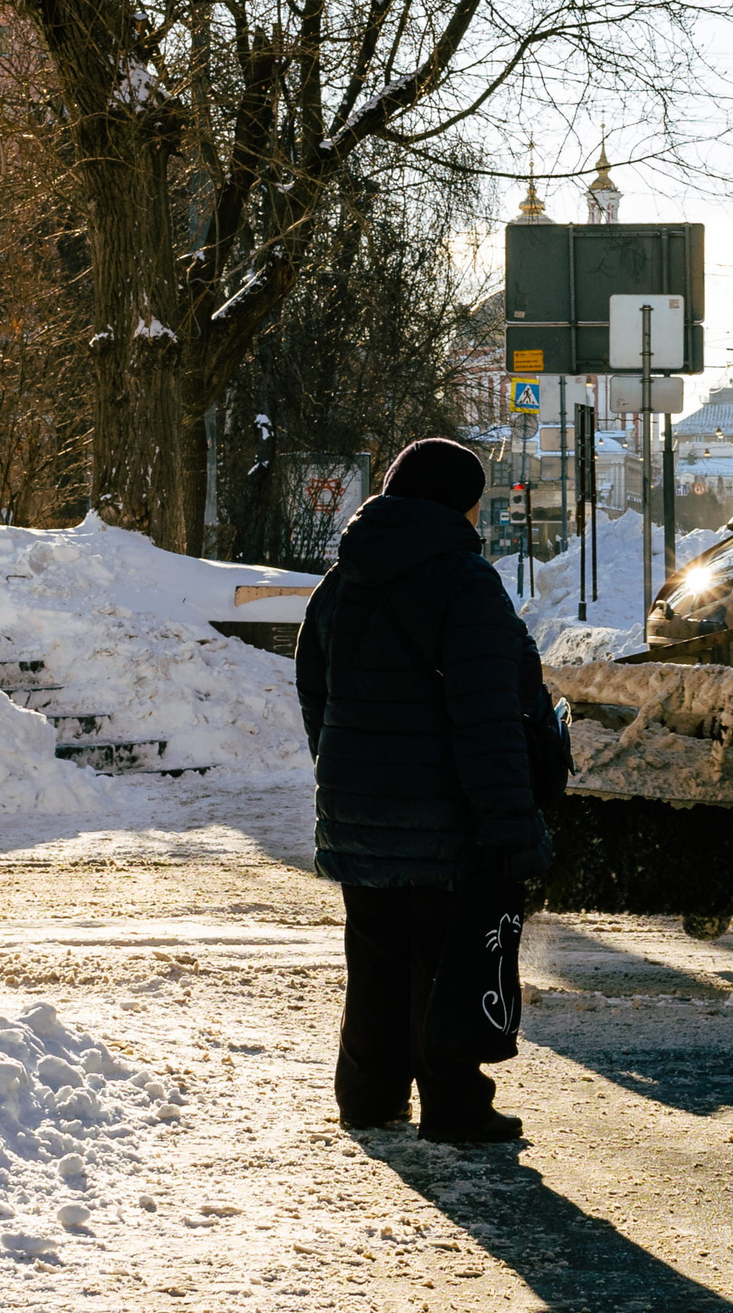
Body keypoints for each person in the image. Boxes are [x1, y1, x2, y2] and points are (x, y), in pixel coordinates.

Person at [294, 438, 552, 1144]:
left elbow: (315, 689)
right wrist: (509, 820)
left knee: (375, 956)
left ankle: (370, 1096)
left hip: (357, 808)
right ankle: (455, 1105)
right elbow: (489, 712)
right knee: (449, 963)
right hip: (443, 813)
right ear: (459, 503)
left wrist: (346, 769)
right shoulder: (464, 583)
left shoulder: (342, 579)